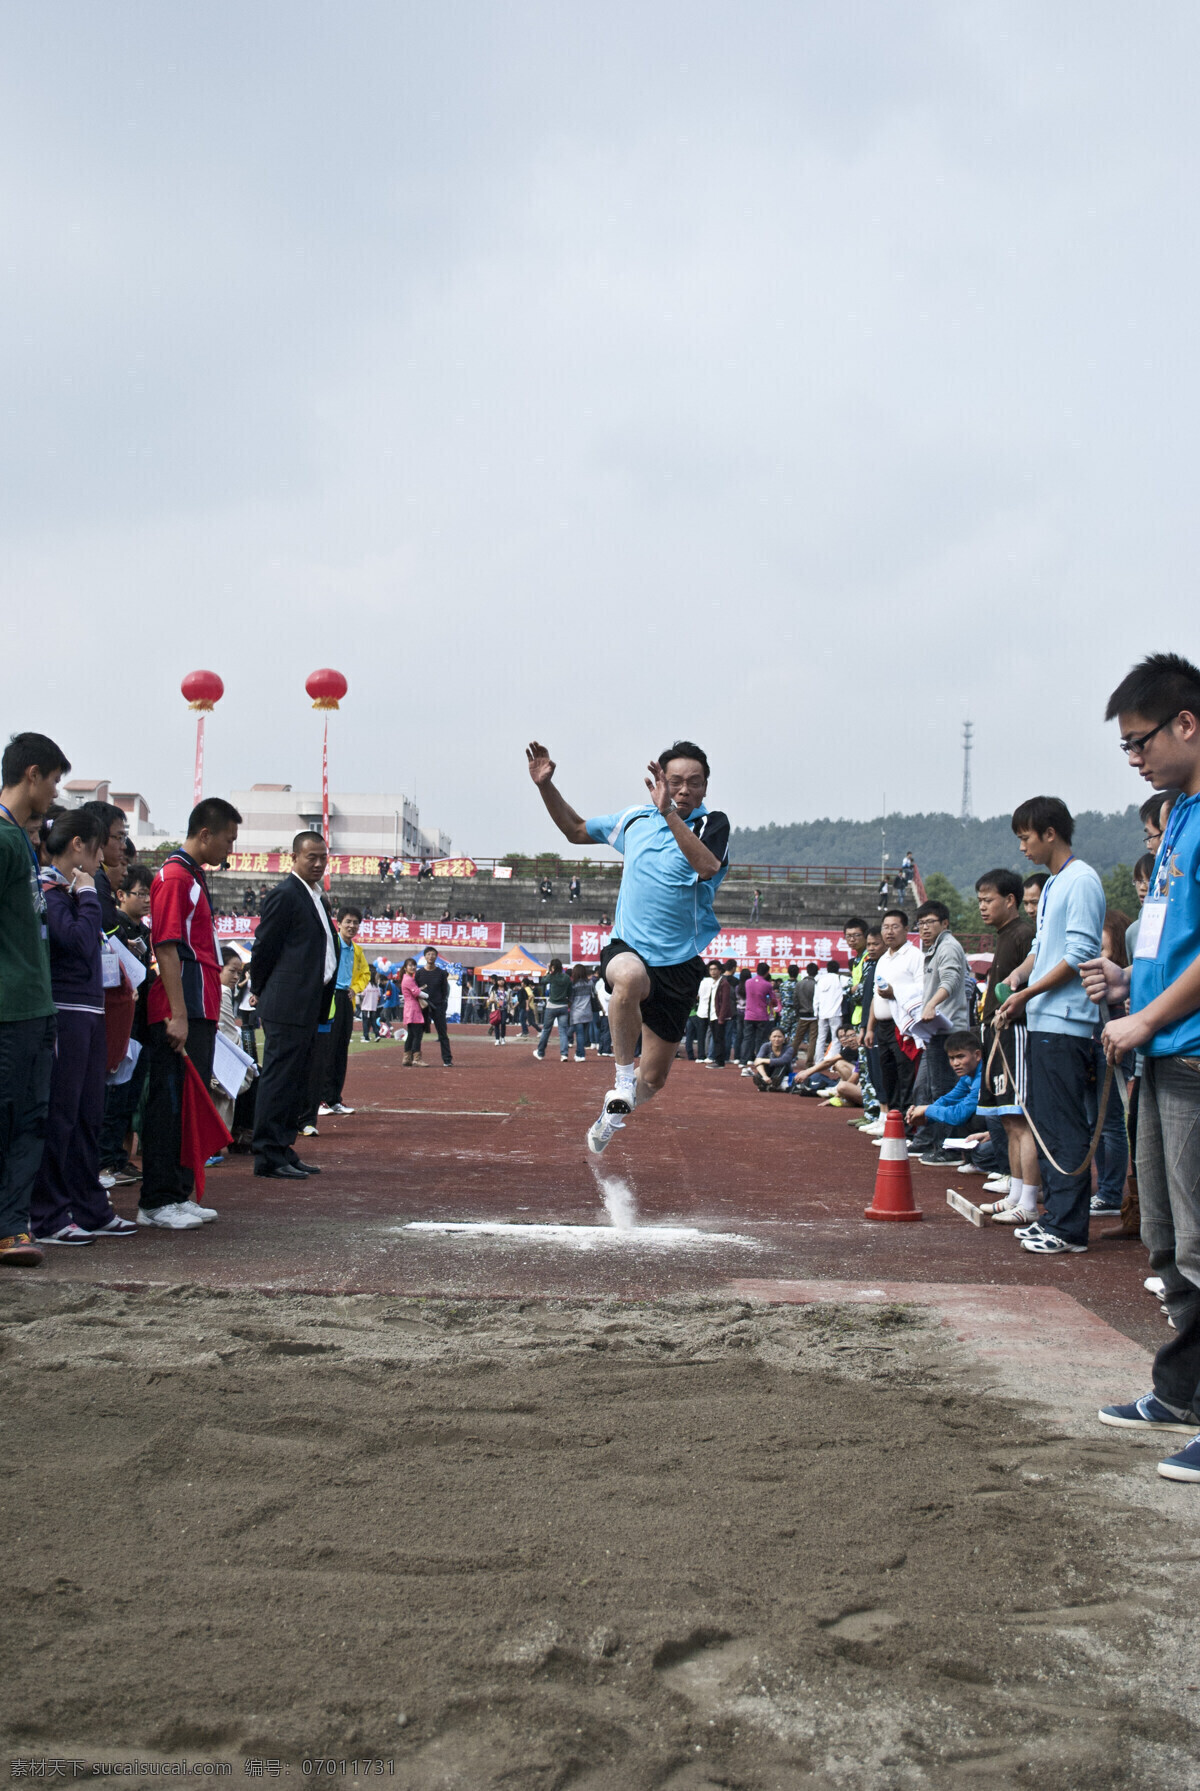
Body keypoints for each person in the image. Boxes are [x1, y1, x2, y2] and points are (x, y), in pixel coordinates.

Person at [1081, 655, 1200, 1481]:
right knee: (1164, 1243)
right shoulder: (1178, 819)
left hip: (1187, 1051)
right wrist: (1129, 985)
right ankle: (1182, 1389)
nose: (1133, 759)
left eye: (1138, 742)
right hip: (1156, 1050)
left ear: (1185, 723)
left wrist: (1150, 1014)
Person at [526, 738, 729, 1155]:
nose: (684, 789)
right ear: (660, 780)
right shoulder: (634, 820)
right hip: (628, 946)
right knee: (630, 977)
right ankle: (620, 1081)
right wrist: (546, 786)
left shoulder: (713, 824)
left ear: (706, 787)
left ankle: (612, 1115)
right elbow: (576, 830)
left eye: (694, 782)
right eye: (675, 782)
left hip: (680, 962)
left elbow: (707, 866)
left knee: (653, 1080)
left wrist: (669, 812)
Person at [994, 796, 1105, 1256]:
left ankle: (1068, 1228)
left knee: (1063, 1126)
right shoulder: (1056, 883)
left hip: (1066, 1024)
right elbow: (1043, 948)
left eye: (1026, 838)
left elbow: (1079, 954)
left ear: (1050, 833)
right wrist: (1019, 976)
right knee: (1047, 1123)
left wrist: (1027, 994)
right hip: (1043, 1021)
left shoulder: (1081, 880)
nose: (1022, 848)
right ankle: (1056, 1218)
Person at [27, 809, 135, 1244]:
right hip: (65, 1010)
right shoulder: (51, 890)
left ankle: (89, 1206)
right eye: (97, 848)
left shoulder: (71, 890)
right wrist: (89, 895)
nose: (103, 858)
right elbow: (75, 940)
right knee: (62, 1116)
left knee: (89, 1114)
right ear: (78, 847)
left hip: (90, 1011)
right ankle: (50, 1214)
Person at [140, 798, 242, 1224]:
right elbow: (165, 946)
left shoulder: (194, 876)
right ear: (205, 834)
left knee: (187, 1102)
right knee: (168, 1102)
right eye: (228, 840)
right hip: (179, 1009)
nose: (230, 850)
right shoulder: (175, 877)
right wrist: (178, 1014)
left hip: (199, 1007)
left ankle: (178, 1191)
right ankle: (156, 1200)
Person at [249, 830, 337, 1177]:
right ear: (294, 858)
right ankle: (267, 1154)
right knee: (279, 1079)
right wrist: (261, 988)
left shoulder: (318, 897)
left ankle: (283, 1149)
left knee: (296, 1081)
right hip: (286, 1004)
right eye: (310, 857)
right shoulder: (285, 895)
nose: (317, 863)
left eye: (322, 857)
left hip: (308, 1004)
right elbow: (264, 947)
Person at [971, 868, 1039, 1224]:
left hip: (1015, 1034)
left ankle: (1028, 1202)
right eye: (979, 900)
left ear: (1009, 901)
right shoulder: (1005, 935)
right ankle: (1015, 1193)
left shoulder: (1023, 935)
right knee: (1007, 1120)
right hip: (997, 1034)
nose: (982, 907)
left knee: (1019, 1119)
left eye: (988, 900)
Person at [98, 861, 154, 1187]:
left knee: (129, 1098)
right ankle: (106, 1162)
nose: (146, 899)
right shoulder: (114, 929)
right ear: (121, 895)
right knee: (114, 1099)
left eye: (149, 894)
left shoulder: (143, 932)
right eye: (140, 893)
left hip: (140, 1024)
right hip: (122, 1024)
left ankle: (119, 1160)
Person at [909, 900, 970, 1165]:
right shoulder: (935, 948)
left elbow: (952, 979)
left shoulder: (948, 947)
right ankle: (938, 1143)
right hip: (937, 1029)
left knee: (945, 1089)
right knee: (935, 1088)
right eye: (920, 923)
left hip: (948, 1029)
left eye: (929, 922)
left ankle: (949, 1148)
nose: (924, 928)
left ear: (944, 923)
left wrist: (932, 1003)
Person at [863, 909, 924, 1116]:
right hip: (883, 1027)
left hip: (904, 1025)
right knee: (887, 1075)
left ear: (906, 929)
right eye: (885, 927)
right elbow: (875, 996)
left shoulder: (914, 956)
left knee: (905, 1074)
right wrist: (870, 1028)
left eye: (895, 927)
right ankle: (892, 1122)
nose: (889, 932)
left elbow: (922, 990)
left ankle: (907, 1126)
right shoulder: (883, 959)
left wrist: (895, 993)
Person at [314, 907, 370, 1114]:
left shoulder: (357, 950)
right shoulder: (330, 944)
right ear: (338, 923)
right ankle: (319, 1099)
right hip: (329, 999)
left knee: (340, 1051)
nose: (352, 926)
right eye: (348, 921)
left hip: (346, 999)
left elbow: (365, 973)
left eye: (356, 922)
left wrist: (355, 989)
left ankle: (334, 1098)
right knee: (325, 1050)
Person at [905, 1031, 982, 1153]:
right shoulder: (967, 1077)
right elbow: (948, 1100)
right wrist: (925, 1117)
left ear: (977, 1055)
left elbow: (959, 1115)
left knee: (975, 1122)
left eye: (961, 1056)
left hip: (1001, 1132)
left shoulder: (981, 1077)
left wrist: (926, 1110)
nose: (956, 1063)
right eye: (952, 1058)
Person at [739, 961, 780, 1074]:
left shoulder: (748, 982)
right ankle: (758, 1059)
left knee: (747, 1038)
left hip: (749, 1014)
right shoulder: (767, 984)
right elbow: (773, 1001)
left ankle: (743, 1060)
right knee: (760, 1040)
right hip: (761, 1015)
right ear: (767, 972)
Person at [416, 945, 454, 1067]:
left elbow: (445, 991)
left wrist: (442, 1004)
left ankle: (447, 1059)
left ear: (436, 956)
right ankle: (415, 1057)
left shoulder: (442, 973)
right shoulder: (419, 973)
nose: (431, 956)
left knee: (443, 1034)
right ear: (425, 956)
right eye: (428, 954)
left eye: (433, 954)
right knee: (418, 1033)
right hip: (423, 1007)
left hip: (438, 1006)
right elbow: (415, 990)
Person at [534, 957, 571, 1061]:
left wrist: (548, 970)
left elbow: (543, 981)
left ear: (553, 967)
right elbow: (570, 992)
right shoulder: (566, 977)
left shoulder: (551, 976)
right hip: (563, 1006)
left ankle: (540, 1052)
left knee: (546, 1030)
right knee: (563, 1031)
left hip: (552, 1006)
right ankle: (564, 1054)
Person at [810, 961, 845, 1070]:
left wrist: (816, 1012)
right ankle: (831, 1065)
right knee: (836, 1039)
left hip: (822, 1014)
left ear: (827, 968)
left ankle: (818, 1063)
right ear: (838, 969)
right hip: (836, 1013)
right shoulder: (841, 979)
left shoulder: (820, 980)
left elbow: (816, 998)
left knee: (820, 1038)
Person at [790, 962, 818, 1064]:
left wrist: (798, 1012)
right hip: (813, 1015)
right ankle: (809, 1062)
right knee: (812, 1040)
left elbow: (795, 1000)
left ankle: (790, 1058)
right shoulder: (816, 985)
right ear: (816, 972)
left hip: (802, 1014)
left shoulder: (799, 984)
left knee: (797, 1039)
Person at [401, 958, 428, 1060]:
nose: (413, 967)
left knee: (411, 1035)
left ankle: (407, 1058)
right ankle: (416, 1058)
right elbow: (416, 993)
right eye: (410, 965)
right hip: (413, 1009)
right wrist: (428, 996)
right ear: (405, 968)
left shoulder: (406, 978)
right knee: (417, 1034)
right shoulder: (408, 979)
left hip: (410, 1009)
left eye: (414, 965)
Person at [567, 964, 594, 1060]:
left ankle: (580, 1054)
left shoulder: (573, 985)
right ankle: (580, 1053)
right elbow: (593, 996)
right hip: (587, 1011)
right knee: (583, 1034)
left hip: (577, 1012)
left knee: (579, 1034)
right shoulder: (590, 983)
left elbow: (570, 999)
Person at [359, 970, 381, 1041]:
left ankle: (366, 1037)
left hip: (365, 1006)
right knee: (373, 1021)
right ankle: (377, 1035)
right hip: (373, 1006)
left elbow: (362, 994)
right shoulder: (376, 986)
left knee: (365, 1022)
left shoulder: (367, 985)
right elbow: (379, 995)